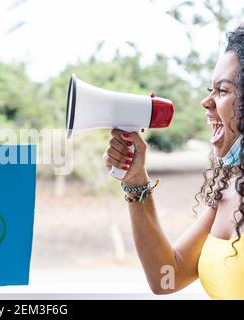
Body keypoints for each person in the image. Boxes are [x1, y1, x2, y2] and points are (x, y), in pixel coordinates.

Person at [103, 24, 244, 299]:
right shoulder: (229, 190)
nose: (207, 101)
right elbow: (166, 276)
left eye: (223, 91)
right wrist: (135, 182)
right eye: (210, 89)